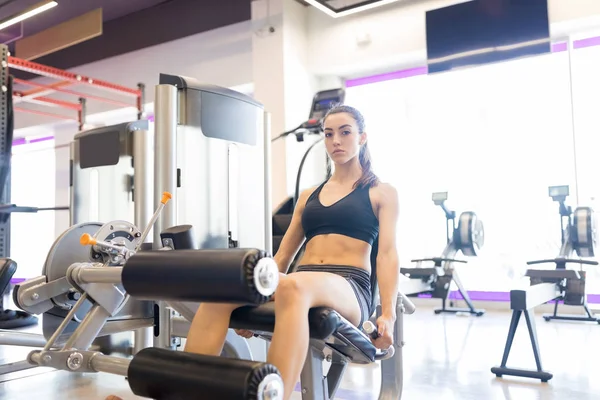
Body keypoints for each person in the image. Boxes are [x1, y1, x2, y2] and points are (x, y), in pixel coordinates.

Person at [105, 104, 400, 400]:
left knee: (294, 286)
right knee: (221, 295)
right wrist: (253, 293)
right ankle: (184, 395)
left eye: (345, 132)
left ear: (362, 138)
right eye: (329, 134)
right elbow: (281, 258)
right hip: (301, 281)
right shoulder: (310, 195)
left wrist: (387, 314)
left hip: (349, 286)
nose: (336, 140)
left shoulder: (380, 192)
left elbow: (386, 255)